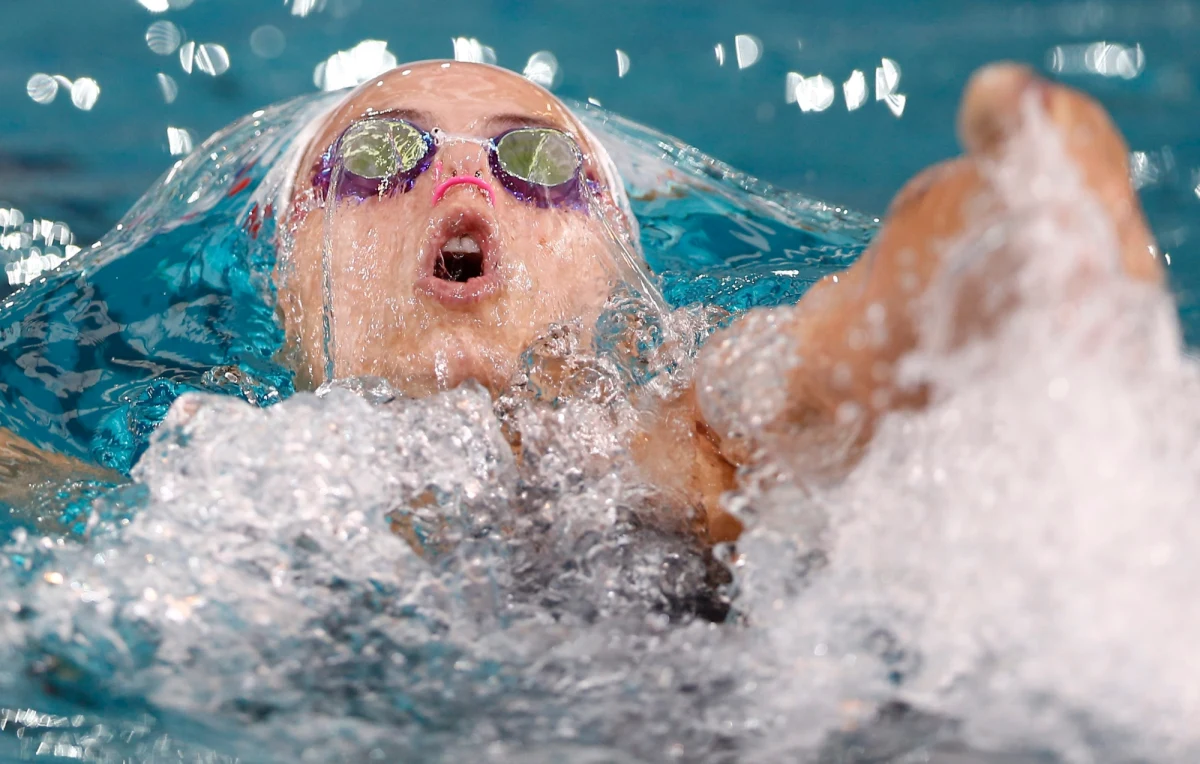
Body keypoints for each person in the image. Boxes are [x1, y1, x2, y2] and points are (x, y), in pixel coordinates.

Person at [0, 59, 1162, 547]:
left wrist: (1012, 225)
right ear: (283, 268)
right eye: (384, 154)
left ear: (617, 269)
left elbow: (838, 369)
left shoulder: (674, 446)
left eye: (539, 167)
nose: (459, 186)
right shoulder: (184, 493)